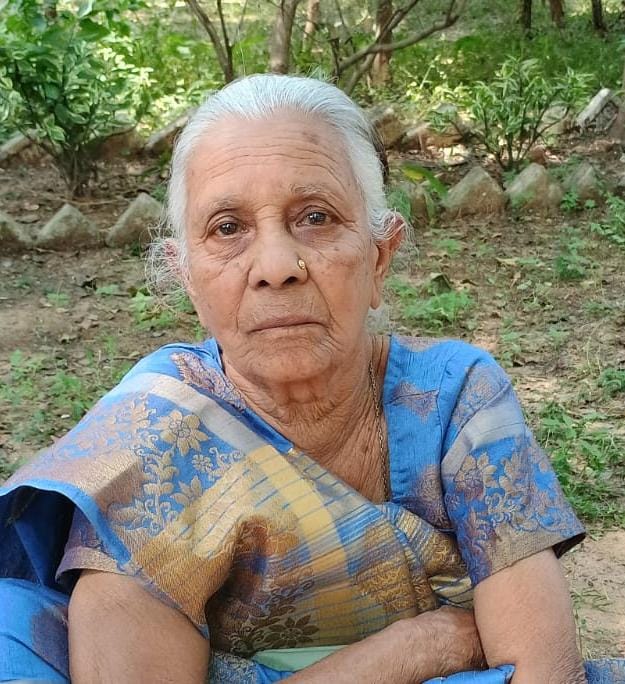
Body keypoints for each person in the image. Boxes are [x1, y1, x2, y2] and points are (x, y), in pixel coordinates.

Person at [0, 74, 623, 684]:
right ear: (186, 276)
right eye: (227, 228)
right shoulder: (149, 436)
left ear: (380, 257)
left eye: (316, 217)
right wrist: (416, 648)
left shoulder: (456, 397)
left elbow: (544, 673)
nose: (276, 266)